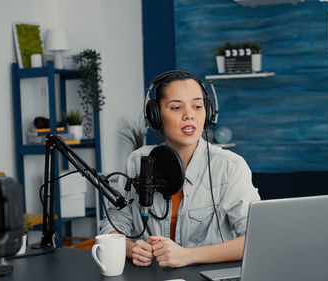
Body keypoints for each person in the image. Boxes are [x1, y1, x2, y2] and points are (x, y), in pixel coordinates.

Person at [99, 70, 260, 268]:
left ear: (208, 113)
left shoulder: (231, 167)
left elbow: (257, 239)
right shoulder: (138, 161)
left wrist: (189, 255)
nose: (189, 115)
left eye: (197, 106)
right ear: (156, 115)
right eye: (176, 107)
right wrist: (132, 249)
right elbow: (112, 224)